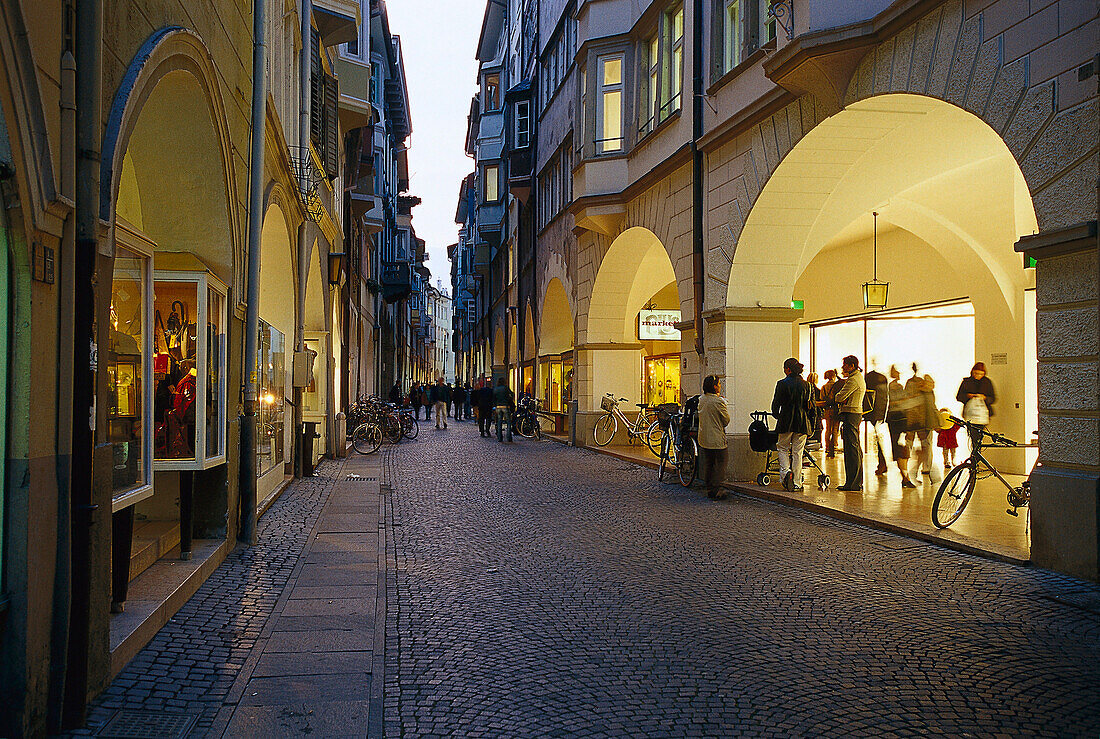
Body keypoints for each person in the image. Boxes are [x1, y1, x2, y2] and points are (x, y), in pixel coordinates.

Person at [771, 358, 815, 492]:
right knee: (798, 452)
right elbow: (812, 409)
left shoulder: (782, 384)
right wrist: (811, 425)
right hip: (803, 423)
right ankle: (797, 482)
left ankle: (785, 475)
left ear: (788, 369)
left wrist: (778, 416)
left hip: (786, 421)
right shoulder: (808, 385)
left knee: (782, 447)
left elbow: (775, 405)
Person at [833, 355, 866, 492]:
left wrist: (838, 397)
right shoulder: (857, 378)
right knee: (854, 448)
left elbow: (839, 397)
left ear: (852, 365)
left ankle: (852, 483)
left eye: (845, 365)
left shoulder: (853, 380)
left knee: (851, 449)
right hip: (854, 414)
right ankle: (854, 482)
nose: (843, 367)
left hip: (851, 415)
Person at [698, 375, 731, 500]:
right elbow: (726, 420)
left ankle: (709, 488)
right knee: (721, 462)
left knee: (709, 463)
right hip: (716, 438)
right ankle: (717, 488)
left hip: (704, 437)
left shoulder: (702, 399)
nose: (720, 386)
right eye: (719, 384)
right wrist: (723, 403)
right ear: (715, 386)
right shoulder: (718, 402)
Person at [886, 365, 916, 489]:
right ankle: (905, 477)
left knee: (901, 449)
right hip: (899, 420)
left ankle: (905, 476)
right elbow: (899, 402)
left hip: (896, 420)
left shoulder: (893, 386)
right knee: (902, 450)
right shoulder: (896, 387)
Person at [957, 362, 996, 443]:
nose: (978, 376)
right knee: (973, 436)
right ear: (972, 372)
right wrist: (968, 396)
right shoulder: (967, 382)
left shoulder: (987, 382)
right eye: (976, 373)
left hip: (983, 414)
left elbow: (993, 398)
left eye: (980, 374)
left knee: (979, 436)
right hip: (970, 413)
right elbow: (959, 397)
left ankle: (976, 452)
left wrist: (984, 398)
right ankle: (975, 453)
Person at [864, 363, 890, 476]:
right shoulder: (883, 383)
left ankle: (882, 463)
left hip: (875, 415)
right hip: (881, 415)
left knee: (879, 441)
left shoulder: (872, 382)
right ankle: (882, 463)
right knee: (879, 440)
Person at [821, 369, 841, 458]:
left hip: (827, 410)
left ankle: (827, 446)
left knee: (828, 428)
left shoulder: (824, 387)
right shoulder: (837, 386)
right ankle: (834, 445)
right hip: (835, 409)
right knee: (835, 428)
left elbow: (822, 398)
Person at [492, 377, 515, 442]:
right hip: (505, 406)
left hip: (498, 407)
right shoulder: (505, 388)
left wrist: (495, 405)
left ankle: (500, 438)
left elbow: (493, 398)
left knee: (499, 422)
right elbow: (511, 394)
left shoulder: (495, 389)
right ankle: (509, 437)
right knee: (508, 422)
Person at [806, 372, 823, 445]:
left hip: (807, 412)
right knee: (818, 427)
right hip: (817, 412)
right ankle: (817, 442)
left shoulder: (806, 389)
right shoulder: (818, 391)